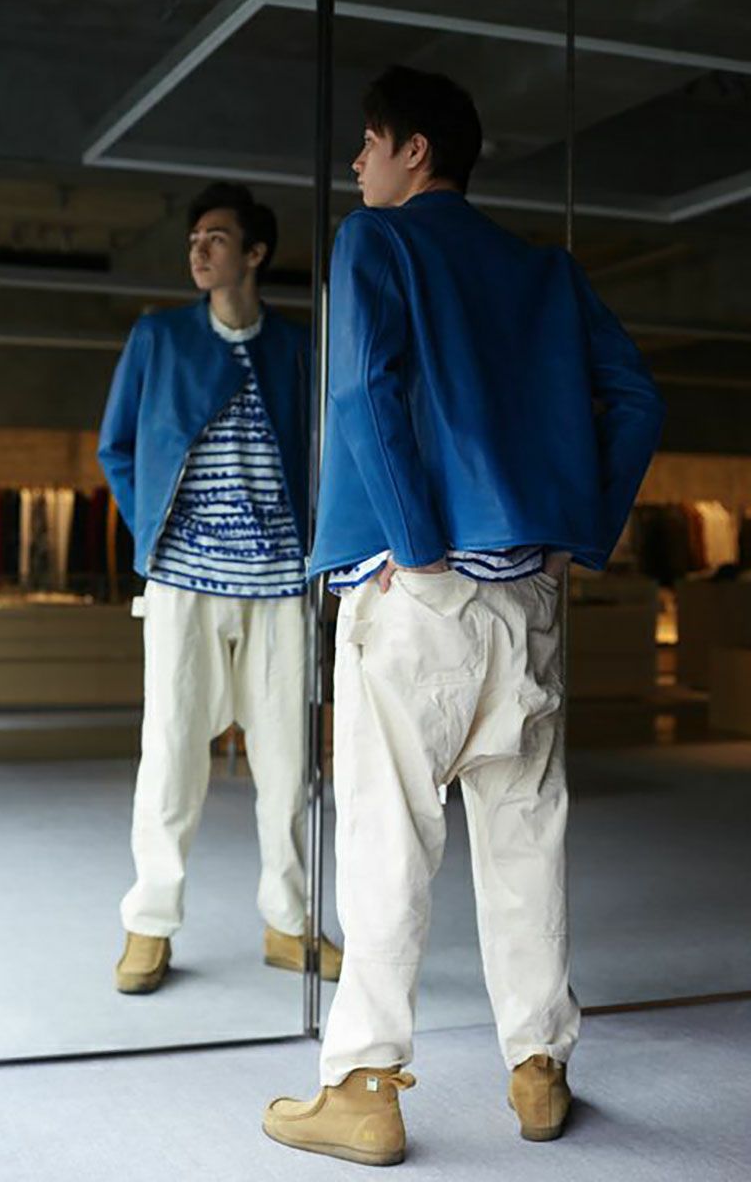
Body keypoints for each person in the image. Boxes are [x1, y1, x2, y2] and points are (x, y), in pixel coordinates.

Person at [263, 65, 664, 1164]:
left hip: (417, 593)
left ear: (414, 152)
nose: (358, 161)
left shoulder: (375, 241)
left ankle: (363, 1088)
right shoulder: (545, 272)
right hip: (527, 591)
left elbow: (364, 392)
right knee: (526, 831)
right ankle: (538, 1071)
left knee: (389, 837)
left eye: (369, 140)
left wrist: (416, 545)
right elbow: (636, 398)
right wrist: (579, 531)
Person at [98, 181, 342, 994]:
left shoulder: (298, 347)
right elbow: (117, 447)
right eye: (194, 239)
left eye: (216, 238)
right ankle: (150, 923)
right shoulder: (159, 337)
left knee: (290, 764)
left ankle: (289, 922)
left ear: (255, 254)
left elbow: (324, 455)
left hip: (280, 587)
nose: (199, 251)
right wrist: (154, 535)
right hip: (185, 584)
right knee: (171, 754)